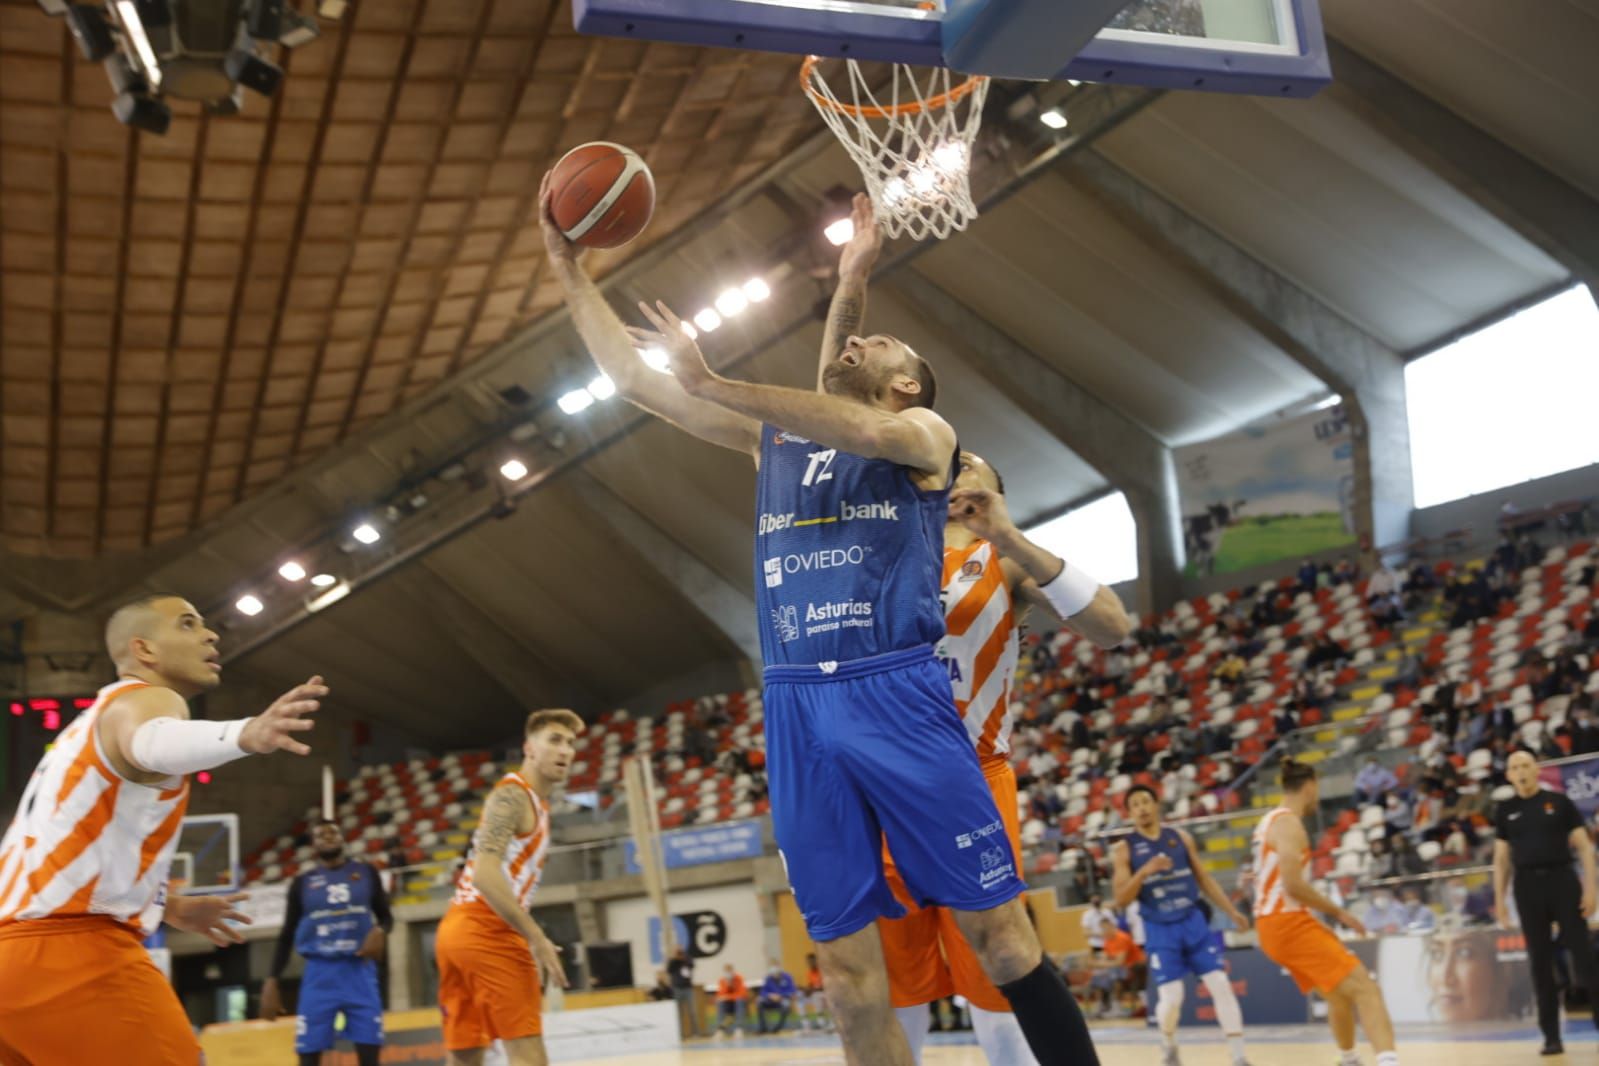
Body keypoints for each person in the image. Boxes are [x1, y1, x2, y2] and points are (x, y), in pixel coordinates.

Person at [544, 184, 1097, 1066]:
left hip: (898, 693)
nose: (852, 344)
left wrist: (716, 377)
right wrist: (568, 267)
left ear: (906, 381)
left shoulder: (925, 433)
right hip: (798, 707)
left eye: (873, 344)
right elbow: (632, 385)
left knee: (1003, 942)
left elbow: (849, 416)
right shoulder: (781, 444)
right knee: (843, 974)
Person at [881, 447, 1130, 1064]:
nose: (957, 462)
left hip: (973, 778)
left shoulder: (1005, 560)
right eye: (949, 458)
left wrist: (1007, 533)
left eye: (973, 462)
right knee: (896, 972)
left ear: (997, 488)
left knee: (994, 964)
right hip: (883, 784)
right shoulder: (883, 554)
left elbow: (1112, 625)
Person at [0, 594, 323, 1065]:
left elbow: (66, 851)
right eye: (188, 624)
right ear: (144, 650)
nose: (211, 634)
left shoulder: (80, 731)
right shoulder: (146, 699)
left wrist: (164, 903)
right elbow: (151, 742)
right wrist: (243, 733)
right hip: (70, 955)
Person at [434, 709, 579, 1066]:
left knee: (465, 1057)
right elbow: (485, 873)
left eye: (571, 743)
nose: (566, 751)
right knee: (529, 1057)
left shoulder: (536, 803)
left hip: (455, 933)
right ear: (529, 748)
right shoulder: (513, 795)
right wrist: (536, 937)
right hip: (489, 930)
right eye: (555, 740)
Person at [1252, 758, 1399, 1066]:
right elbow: (1292, 885)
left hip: (1272, 926)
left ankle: (1348, 1059)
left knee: (1338, 995)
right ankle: (1388, 1061)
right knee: (1366, 989)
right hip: (1286, 923)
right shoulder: (1288, 823)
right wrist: (1339, 913)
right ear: (1310, 787)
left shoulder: (1268, 821)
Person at [1112, 785, 1252, 1066]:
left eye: (1146, 802)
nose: (1142, 808)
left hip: (1193, 921)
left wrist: (1231, 912)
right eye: (1135, 804)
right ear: (1129, 813)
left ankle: (1238, 1056)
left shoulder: (1180, 838)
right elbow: (1121, 899)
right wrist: (1144, 871)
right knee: (1173, 998)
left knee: (1221, 984)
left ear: (1156, 805)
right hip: (1160, 929)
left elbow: (1204, 879)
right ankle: (1168, 1042)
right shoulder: (1124, 849)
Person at [1492, 748, 1599, 1055]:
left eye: (1526, 765)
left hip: (1563, 881)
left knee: (1584, 958)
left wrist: (1591, 889)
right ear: (1509, 775)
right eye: (1515, 767)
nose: (1521, 771)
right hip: (1527, 887)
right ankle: (1551, 1037)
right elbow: (1501, 860)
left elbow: (1584, 848)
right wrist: (1499, 900)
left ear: (1537, 770)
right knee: (1540, 964)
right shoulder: (1505, 810)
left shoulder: (1561, 803)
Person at [261, 819, 393, 1066]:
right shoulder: (302, 883)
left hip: (359, 971)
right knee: (309, 1053)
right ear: (313, 844)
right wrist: (272, 979)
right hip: (320, 974)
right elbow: (287, 934)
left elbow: (387, 917)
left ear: (343, 838)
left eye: (333, 832)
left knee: (369, 1052)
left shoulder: (366, 873)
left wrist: (380, 930)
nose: (328, 837)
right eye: (321, 834)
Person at [667, 945, 703, 1039]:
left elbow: (692, 965)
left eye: (680, 950)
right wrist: (675, 959)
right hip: (677, 989)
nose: (679, 952)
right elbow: (669, 970)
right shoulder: (672, 960)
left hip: (688, 988)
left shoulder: (687, 958)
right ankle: (680, 1034)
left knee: (692, 1011)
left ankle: (696, 1033)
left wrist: (684, 958)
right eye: (677, 950)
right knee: (679, 1013)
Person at [756, 960, 797, 1034]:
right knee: (759, 1002)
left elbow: (792, 990)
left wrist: (781, 996)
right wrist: (770, 995)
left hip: (783, 1000)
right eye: (771, 967)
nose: (773, 969)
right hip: (770, 1001)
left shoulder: (787, 977)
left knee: (786, 1004)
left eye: (775, 967)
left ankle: (777, 1028)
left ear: (779, 967)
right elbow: (763, 991)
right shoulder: (768, 978)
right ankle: (763, 1028)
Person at [799, 952, 831, 1032]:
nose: (811, 963)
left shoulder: (823, 971)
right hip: (815, 994)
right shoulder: (809, 973)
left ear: (816, 961)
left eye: (812, 961)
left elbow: (824, 986)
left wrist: (813, 989)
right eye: (809, 962)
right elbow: (811, 986)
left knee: (817, 995)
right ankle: (806, 1026)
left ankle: (823, 1024)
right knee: (800, 998)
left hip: (825, 994)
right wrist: (805, 990)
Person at [714, 964, 748, 1038]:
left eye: (729, 971)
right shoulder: (722, 980)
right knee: (720, 1002)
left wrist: (728, 996)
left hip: (737, 1003)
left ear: (733, 971)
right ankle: (721, 1029)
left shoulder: (739, 978)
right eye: (726, 971)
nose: (728, 973)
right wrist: (727, 984)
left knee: (740, 1000)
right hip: (727, 1004)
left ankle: (739, 1028)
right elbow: (720, 995)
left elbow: (742, 994)